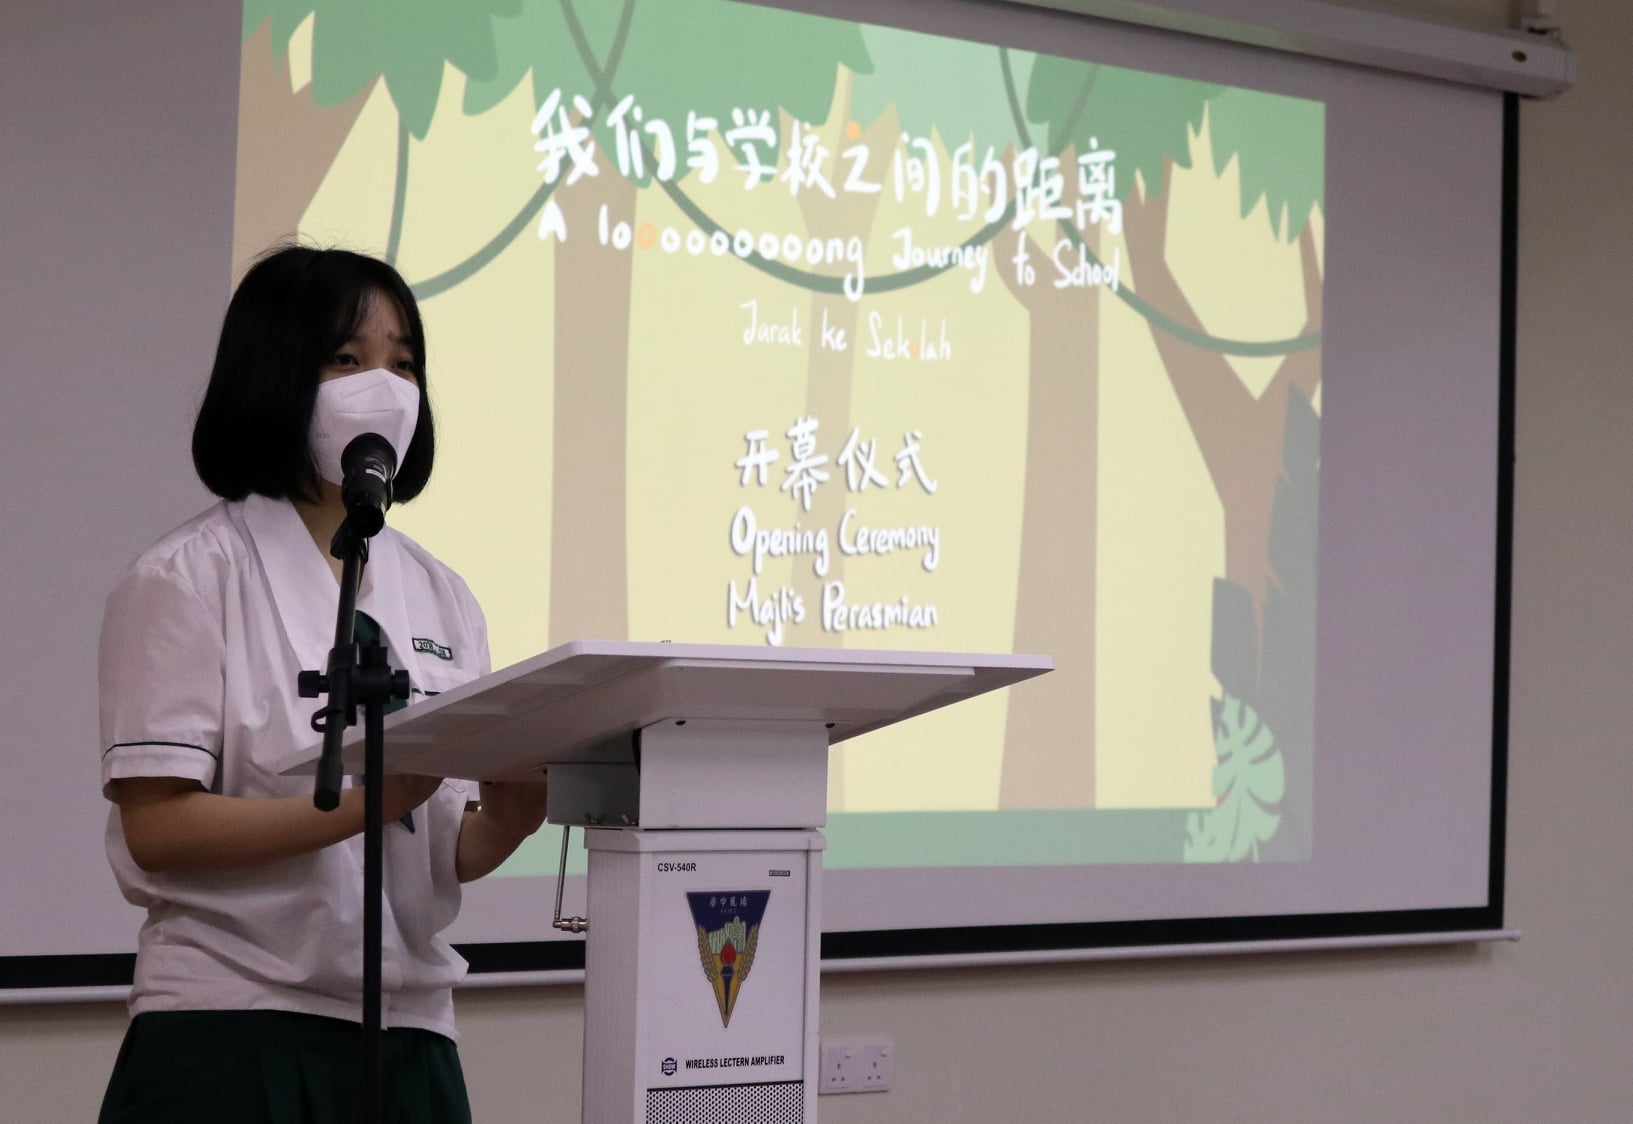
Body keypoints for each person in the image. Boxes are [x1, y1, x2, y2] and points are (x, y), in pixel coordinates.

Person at [96, 245, 548, 1123]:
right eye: (347, 358)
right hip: (232, 1027)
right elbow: (158, 826)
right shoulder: (186, 577)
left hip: (412, 1031)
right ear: (273, 374)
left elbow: (445, 847)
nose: (385, 387)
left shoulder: (444, 594)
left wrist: (515, 812)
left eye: (403, 364)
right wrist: (371, 799)